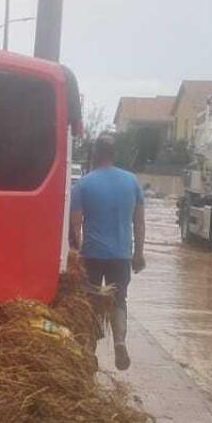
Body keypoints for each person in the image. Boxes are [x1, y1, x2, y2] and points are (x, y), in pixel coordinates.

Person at [69, 133, 146, 370]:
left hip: (92, 254)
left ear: (95, 154)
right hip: (121, 255)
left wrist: (77, 254)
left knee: (90, 302)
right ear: (114, 155)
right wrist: (138, 253)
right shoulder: (132, 181)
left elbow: (75, 225)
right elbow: (139, 222)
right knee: (119, 299)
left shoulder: (83, 184)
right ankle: (119, 342)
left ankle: (88, 349)